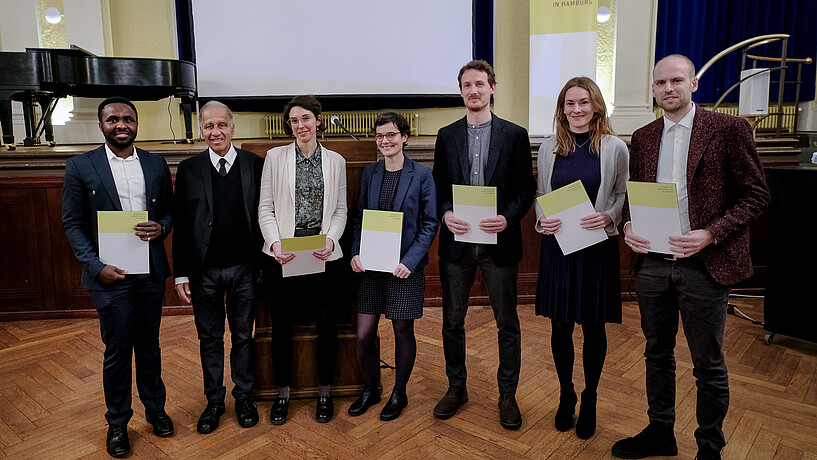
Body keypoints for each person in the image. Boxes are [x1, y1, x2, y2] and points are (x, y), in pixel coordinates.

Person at [612, 55, 770, 460]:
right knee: (656, 353)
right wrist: (628, 226)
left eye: (677, 80)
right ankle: (661, 431)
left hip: (705, 264)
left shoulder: (729, 129)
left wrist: (711, 234)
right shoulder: (644, 136)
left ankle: (709, 447)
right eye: (661, 82)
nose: (669, 88)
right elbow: (635, 196)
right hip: (653, 265)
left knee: (708, 363)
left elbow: (757, 196)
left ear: (693, 83)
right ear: (653, 89)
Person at [62, 97, 174, 458]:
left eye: (128, 119)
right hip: (110, 276)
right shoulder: (81, 166)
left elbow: (170, 213)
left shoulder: (156, 164)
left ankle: (156, 412)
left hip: (149, 273)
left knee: (150, 347)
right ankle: (117, 424)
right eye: (113, 119)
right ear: (101, 126)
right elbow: (73, 223)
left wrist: (162, 228)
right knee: (117, 351)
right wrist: (96, 267)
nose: (121, 124)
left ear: (137, 124)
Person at [431, 60, 536, 430]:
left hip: (499, 244)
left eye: (480, 84)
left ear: (492, 87)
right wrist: (445, 214)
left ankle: (507, 394)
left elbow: (526, 189)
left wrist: (507, 217)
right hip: (456, 245)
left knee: (506, 323)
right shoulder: (446, 136)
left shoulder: (515, 134)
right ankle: (456, 387)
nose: (473, 91)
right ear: (460, 91)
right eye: (466, 85)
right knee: (451, 322)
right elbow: (439, 189)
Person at [534, 77, 629, 439]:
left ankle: (590, 396)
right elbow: (542, 194)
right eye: (569, 103)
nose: (576, 110)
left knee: (593, 326)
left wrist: (610, 217)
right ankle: (566, 394)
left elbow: (620, 194)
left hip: (596, 250)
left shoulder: (614, 148)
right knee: (559, 325)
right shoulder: (548, 148)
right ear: (562, 109)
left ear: (596, 107)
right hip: (558, 248)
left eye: (583, 103)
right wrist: (543, 218)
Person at [173, 101, 263, 434]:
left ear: (233, 128)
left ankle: (243, 397)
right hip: (203, 273)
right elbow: (182, 224)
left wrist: (264, 265)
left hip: (244, 269)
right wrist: (180, 272)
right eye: (209, 126)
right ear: (201, 130)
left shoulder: (254, 164)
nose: (216, 132)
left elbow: (264, 217)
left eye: (222, 125)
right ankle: (214, 401)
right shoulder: (189, 169)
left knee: (243, 336)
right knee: (209, 339)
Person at [258, 95, 347, 425]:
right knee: (282, 325)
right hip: (284, 255)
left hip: (322, 253)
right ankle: (283, 391)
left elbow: (340, 209)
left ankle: (325, 390)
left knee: (327, 324)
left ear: (318, 120)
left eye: (306, 119)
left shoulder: (335, 161)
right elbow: (265, 208)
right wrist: (275, 243)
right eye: (294, 121)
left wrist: (331, 238)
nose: (300, 125)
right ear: (289, 126)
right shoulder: (274, 157)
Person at [347, 112, 439, 421]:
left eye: (390, 135)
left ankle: (399, 391)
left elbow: (429, 224)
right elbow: (360, 217)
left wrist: (409, 262)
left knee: (402, 328)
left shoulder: (422, 174)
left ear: (404, 138)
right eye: (379, 136)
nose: (384, 141)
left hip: (404, 268)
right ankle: (372, 388)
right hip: (371, 266)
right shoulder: (371, 172)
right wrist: (356, 253)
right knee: (364, 333)